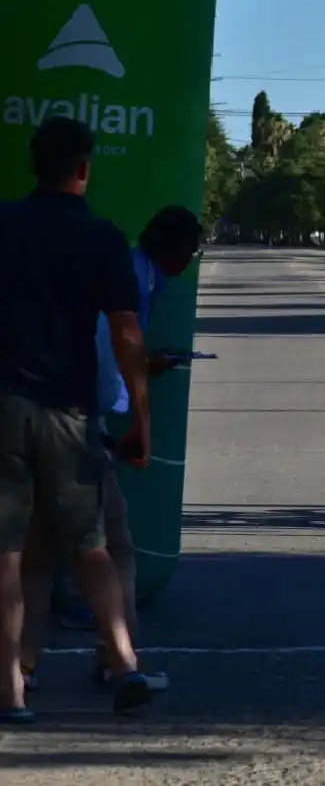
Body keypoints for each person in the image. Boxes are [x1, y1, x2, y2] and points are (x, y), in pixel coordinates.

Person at [0, 117, 153, 721]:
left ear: (33, 165)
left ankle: (11, 691)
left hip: (5, 407)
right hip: (69, 410)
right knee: (93, 546)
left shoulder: (4, 225)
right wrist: (140, 415)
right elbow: (126, 331)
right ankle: (124, 663)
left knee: (8, 553)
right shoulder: (101, 237)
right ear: (85, 168)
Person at [21, 205, 203, 693]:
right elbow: (119, 346)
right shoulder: (123, 275)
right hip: (76, 428)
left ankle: (21, 668)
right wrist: (138, 419)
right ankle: (120, 661)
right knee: (111, 547)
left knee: (36, 554)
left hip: (27, 422)